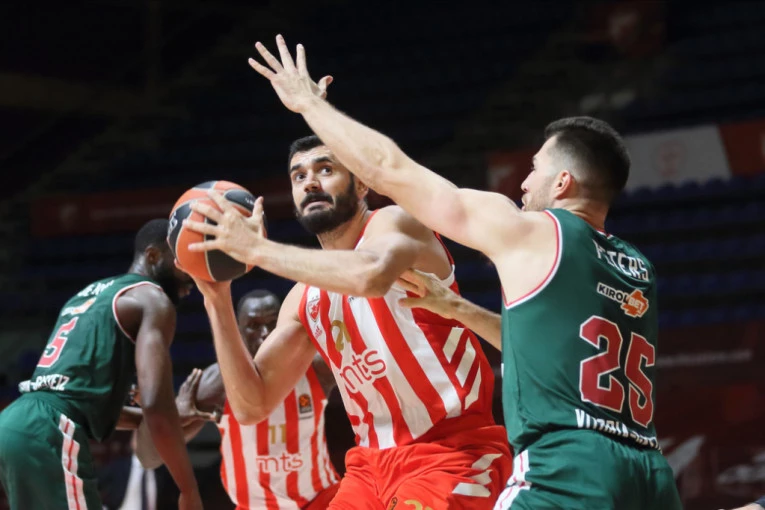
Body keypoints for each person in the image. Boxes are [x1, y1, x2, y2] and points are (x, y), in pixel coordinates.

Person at [245, 35, 682, 509]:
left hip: (568, 462)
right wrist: (457, 308)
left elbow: (392, 169)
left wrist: (310, 105)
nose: (523, 182)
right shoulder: (635, 267)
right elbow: (544, 350)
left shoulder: (532, 231)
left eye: (534, 168)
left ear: (562, 182)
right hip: (646, 464)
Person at [180, 131, 512, 509]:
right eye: (299, 176)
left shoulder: (396, 223)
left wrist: (258, 249)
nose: (311, 183)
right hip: (369, 468)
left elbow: (370, 276)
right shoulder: (304, 298)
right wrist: (216, 298)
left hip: (452, 453)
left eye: (326, 169)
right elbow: (251, 405)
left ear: (362, 184)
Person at [0, 219, 204, 510]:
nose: (191, 277)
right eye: (182, 263)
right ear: (153, 255)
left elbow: (78, 399)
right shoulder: (153, 299)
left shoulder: (90, 293)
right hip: (49, 430)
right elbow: (155, 406)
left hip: (15, 422)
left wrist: (154, 417)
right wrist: (189, 489)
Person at [137, 289, 341, 509]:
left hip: (319, 500)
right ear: (238, 332)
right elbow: (149, 457)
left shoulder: (314, 366)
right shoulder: (216, 385)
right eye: (254, 325)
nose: (264, 333)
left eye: (272, 323)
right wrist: (176, 420)